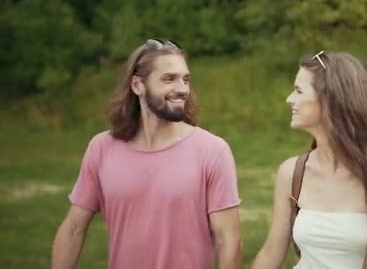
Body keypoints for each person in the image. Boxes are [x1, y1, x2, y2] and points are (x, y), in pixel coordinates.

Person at [51, 39, 242, 269]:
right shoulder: (102, 148)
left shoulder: (212, 151)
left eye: (185, 79)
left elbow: (228, 239)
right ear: (137, 85)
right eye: (169, 79)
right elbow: (74, 228)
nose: (182, 89)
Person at [251, 51, 367, 269]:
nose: (290, 99)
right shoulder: (292, 173)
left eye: (298, 91)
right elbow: (270, 254)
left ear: (330, 100)